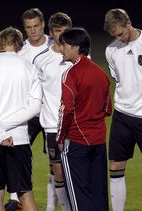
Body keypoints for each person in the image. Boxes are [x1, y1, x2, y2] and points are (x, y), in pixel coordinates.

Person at [0, 26, 40, 211]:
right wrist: (7, 127)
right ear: (19, 45)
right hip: (19, 139)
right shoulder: (30, 67)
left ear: (0, 43)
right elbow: (35, 106)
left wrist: (0, 129)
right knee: (25, 194)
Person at [56, 27, 111, 211]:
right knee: (99, 193)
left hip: (76, 142)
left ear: (75, 47)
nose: (61, 49)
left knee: (79, 196)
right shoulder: (101, 73)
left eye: (63, 45)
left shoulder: (70, 74)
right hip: (99, 142)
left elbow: (67, 110)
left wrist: (60, 137)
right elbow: (107, 108)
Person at [6, 8, 53, 210]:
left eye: (36, 26)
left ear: (43, 25)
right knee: (18, 153)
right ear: (24, 29)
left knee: (55, 161)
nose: (33, 31)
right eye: (28, 28)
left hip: (52, 111)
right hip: (29, 112)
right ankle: (16, 199)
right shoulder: (20, 50)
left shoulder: (57, 45)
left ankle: (54, 205)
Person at [33, 12, 72, 211]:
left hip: (75, 124)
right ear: (51, 32)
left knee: (74, 170)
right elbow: (35, 91)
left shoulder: (80, 55)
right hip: (51, 125)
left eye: (66, 31)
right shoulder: (41, 60)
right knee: (57, 170)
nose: (62, 35)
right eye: (58, 31)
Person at [104, 8, 142, 211]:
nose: (119, 38)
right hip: (122, 115)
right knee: (116, 166)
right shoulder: (111, 50)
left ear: (128, 23)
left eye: (121, 33)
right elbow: (118, 79)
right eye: (115, 36)